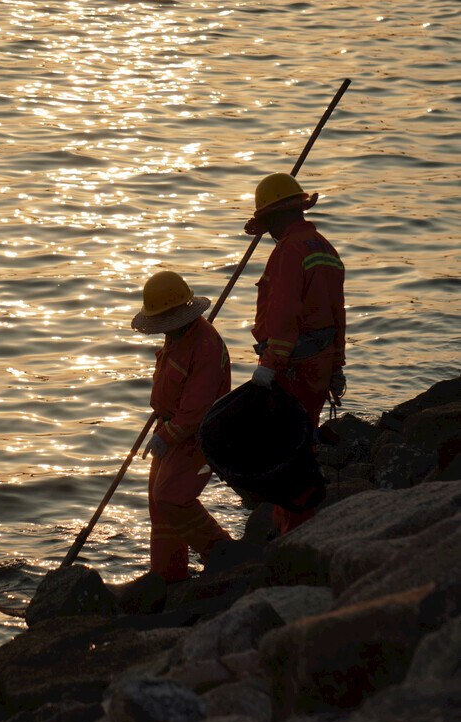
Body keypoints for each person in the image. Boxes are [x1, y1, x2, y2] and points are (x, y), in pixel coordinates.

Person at [245, 172, 346, 534]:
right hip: (319, 366)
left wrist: (270, 365)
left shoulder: (288, 252)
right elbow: (338, 315)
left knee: (285, 449)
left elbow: (284, 315)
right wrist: (336, 368)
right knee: (304, 441)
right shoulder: (325, 248)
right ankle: (293, 525)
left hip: (292, 368)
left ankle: (293, 530)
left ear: (273, 218)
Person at [132, 270, 234, 583]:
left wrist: (166, 436)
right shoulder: (178, 335)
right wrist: (162, 426)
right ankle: (167, 576)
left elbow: (197, 409)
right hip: (170, 428)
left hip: (195, 435)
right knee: (159, 507)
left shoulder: (204, 346)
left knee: (172, 496)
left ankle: (222, 553)